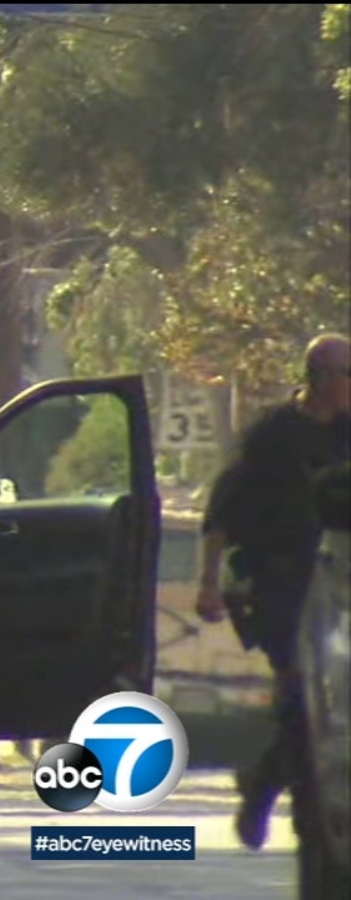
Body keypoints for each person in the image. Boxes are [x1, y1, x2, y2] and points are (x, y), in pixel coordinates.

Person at [196, 332, 351, 850]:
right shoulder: (273, 436)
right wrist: (209, 583)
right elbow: (223, 509)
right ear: (321, 378)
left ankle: (266, 781)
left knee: (330, 702)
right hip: (282, 583)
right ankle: (271, 792)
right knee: (299, 691)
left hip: (341, 584)